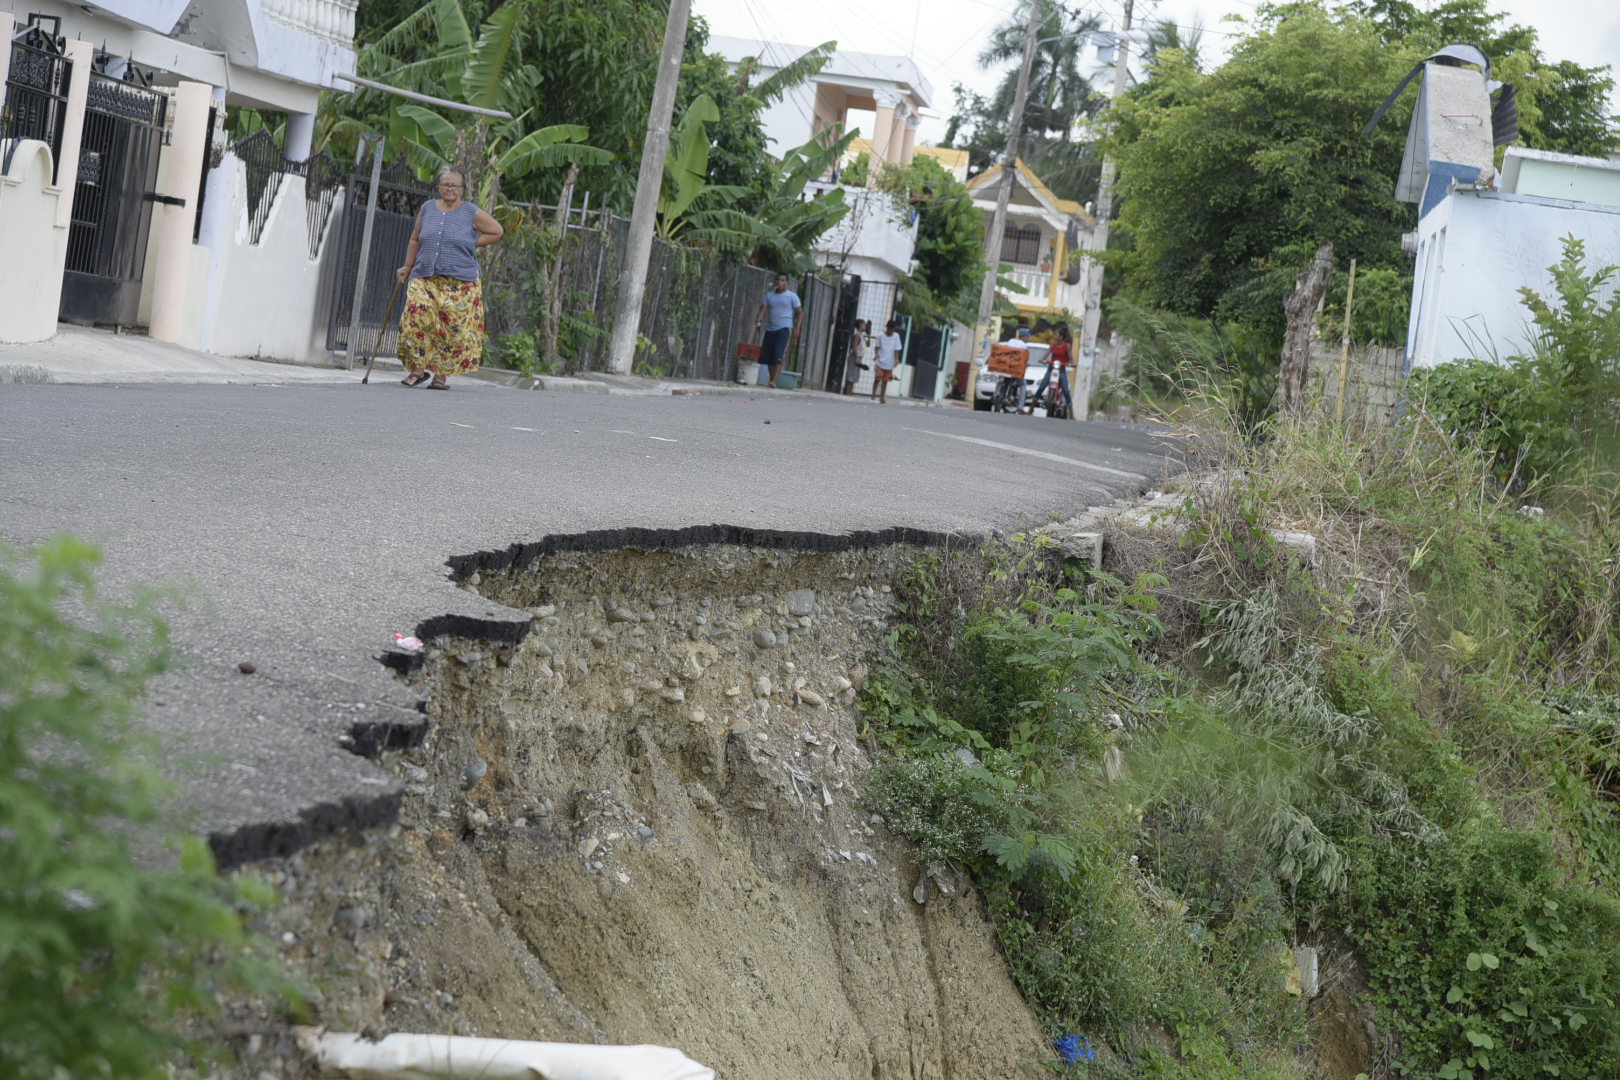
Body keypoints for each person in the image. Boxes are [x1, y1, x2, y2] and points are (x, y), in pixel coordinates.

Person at [396, 169, 504, 390]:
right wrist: (407, 265)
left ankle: (440, 376)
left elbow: (496, 231)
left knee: (450, 329)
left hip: (459, 282)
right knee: (416, 318)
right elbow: (415, 239)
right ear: (439, 187)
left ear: (462, 189)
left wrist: (472, 243)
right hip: (425, 275)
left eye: (454, 185)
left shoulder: (470, 212)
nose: (449, 189)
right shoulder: (427, 208)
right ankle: (417, 369)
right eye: (445, 184)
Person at [753, 273, 801, 388]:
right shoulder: (769, 296)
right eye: (778, 280)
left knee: (779, 356)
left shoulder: (791, 296)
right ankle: (773, 380)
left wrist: (797, 328)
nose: (780, 282)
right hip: (771, 329)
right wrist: (758, 322)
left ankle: (774, 380)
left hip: (784, 329)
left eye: (783, 280)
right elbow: (763, 310)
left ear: (787, 283)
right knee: (768, 356)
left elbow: (800, 312)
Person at [1025, 323, 1074, 417]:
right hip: (1051, 368)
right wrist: (1042, 359)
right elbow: (1046, 354)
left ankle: (1071, 414)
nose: (1054, 336)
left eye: (1056, 334)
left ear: (1061, 336)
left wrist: (1073, 363)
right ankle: (1030, 410)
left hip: (1062, 369)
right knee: (1041, 387)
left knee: (1066, 390)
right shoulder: (1053, 345)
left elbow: (1071, 357)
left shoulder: (1067, 346)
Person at [872, 320, 903, 404]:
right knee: (877, 379)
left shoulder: (896, 336)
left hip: (890, 362)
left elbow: (897, 349)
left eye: (892, 330)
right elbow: (876, 347)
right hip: (880, 361)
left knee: (885, 381)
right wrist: (876, 354)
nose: (890, 332)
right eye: (889, 329)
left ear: (894, 329)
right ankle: (873, 395)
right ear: (887, 327)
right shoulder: (880, 335)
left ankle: (882, 397)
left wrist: (896, 359)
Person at [843, 319, 871, 396]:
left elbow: (868, 345)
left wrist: (868, 334)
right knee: (850, 376)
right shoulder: (857, 335)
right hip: (854, 357)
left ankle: (849, 394)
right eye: (864, 325)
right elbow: (854, 346)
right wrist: (857, 357)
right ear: (859, 326)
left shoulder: (862, 336)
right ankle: (847, 394)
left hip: (859, 357)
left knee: (854, 376)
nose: (865, 326)